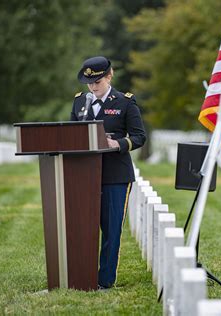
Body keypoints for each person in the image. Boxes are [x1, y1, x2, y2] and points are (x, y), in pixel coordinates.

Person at [70, 56, 146, 289]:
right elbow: (72, 134)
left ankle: (104, 280)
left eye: (98, 82)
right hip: (85, 175)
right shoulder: (79, 102)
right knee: (83, 226)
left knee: (111, 229)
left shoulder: (125, 102)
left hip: (115, 176)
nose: (93, 87)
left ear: (110, 75)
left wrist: (118, 144)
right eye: (89, 82)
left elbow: (139, 137)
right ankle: (81, 276)